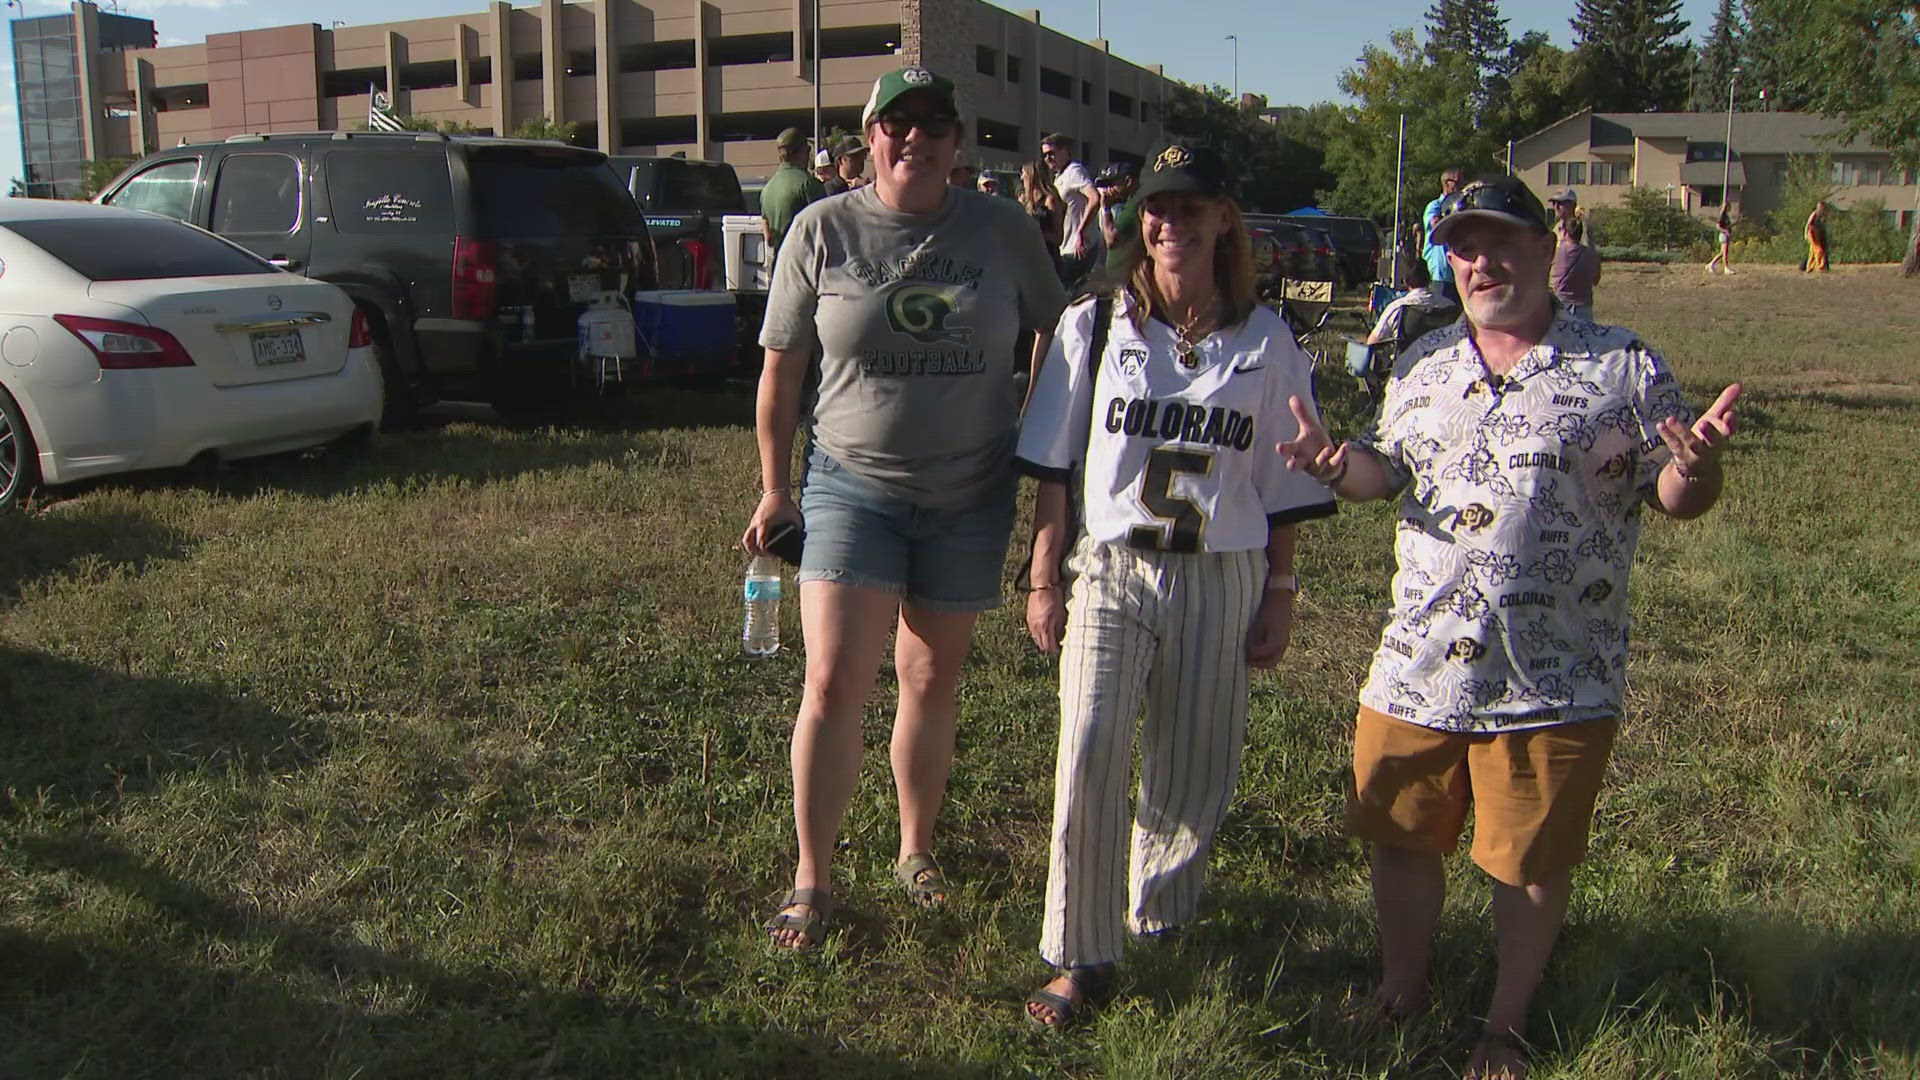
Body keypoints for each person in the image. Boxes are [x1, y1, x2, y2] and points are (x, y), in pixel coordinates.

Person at [1277, 174, 1741, 1080]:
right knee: (1399, 833)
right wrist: (1342, 467)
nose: (1480, 263)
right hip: (1419, 658)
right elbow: (1392, 474)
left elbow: (1676, 495)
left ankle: (1505, 1023)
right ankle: (1402, 990)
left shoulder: (1620, 364)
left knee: (1528, 860)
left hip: (1554, 666)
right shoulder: (1423, 362)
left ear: (1544, 249)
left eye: (1499, 244)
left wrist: (1701, 468)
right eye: (1463, 248)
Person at [744, 66, 1068, 950]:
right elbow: (781, 374)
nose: (914, 138)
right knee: (833, 679)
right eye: (898, 123)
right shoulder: (822, 229)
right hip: (852, 484)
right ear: (870, 137)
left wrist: (1034, 423)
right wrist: (777, 487)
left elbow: (1062, 328)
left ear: (958, 144)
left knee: (930, 678)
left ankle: (913, 850)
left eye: (933, 123)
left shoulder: (1004, 231)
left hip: (972, 490)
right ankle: (812, 877)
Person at [1015, 141, 1336, 1029]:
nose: (1171, 224)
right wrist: (1044, 577)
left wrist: (1281, 594)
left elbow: (1285, 483)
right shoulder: (1101, 322)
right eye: (1157, 208)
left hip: (1221, 570)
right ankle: (1078, 953)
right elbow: (1052, 461)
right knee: (1087, 746)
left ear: (1224, 219)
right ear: (1135, 220)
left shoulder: (1267, 339)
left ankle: (1157, 917)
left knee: (1195, 766)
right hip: (1114, 568)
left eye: (1191, 208)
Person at [1042, 133, 1104, 287]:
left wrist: (1081, 231)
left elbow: (1094, 198)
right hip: (1066, 246)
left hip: (1079, 247)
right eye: (1045, 155)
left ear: (1064, 151)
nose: (1048, 159)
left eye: (1051, 153)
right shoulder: (1059, 177)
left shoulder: (1074, 171)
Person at [760, 127, 826, 261]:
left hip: (779, 267)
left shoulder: (767, 189)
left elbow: (768, 237)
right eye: (808, 150)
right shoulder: (808, 184)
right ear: (801, 152)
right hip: (805, 265)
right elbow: (825, 230)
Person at [1547, 189, 1600, 322]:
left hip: (1579, 301)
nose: (1556, 207)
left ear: (1572, 205)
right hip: (1558, 297)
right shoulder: (1556, 229)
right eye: (1554, 203)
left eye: (1560, 203)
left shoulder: (1583, 230)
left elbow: (1592, 261)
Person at [1019, 158, 1068, 283]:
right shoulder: (1026, 201)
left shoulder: (1050, 200)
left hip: (1048, 262)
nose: (1021, 178)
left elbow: (1058, 237)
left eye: (1024, 173)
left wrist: (1036, 232)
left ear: (1032, 175)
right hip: (1029, 262)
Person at [1421, 167, 1463, 301]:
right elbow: (1434, 223)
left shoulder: (1460, 205)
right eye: (1457, 182)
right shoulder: (1435, 206)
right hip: (1440, 274)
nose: (1461, 186)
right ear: (1446, 183)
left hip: (1456, 273)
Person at [1094, 161, 1139, 250]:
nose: (1109, 189)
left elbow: (1110, 240)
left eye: (1112, 184)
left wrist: (1106, 208)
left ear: (1128, 181)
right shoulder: (1125, 203)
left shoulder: (1134, 204)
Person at [1705, 208, 1733, 275]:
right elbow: (1718, 226)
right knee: (1725, 253)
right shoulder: (1722, 217)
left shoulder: (1726, 216)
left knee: (1721, 253)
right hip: (1724, 235)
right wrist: (1726, 231)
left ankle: (1710, 264)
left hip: (1725, 235)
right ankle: (1726, 268)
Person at [1805, 201, 1830, 272]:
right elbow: (1808, 224)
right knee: (1818, 250)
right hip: (1811, 233)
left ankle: (1809, 267)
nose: (1822, 209)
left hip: (1817, 234)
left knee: (1812, 251)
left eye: (1823, 208)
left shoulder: (1822, 215)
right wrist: (1806, 235)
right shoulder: (1814, 214)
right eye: (1821, 208)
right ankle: (1820, 267)